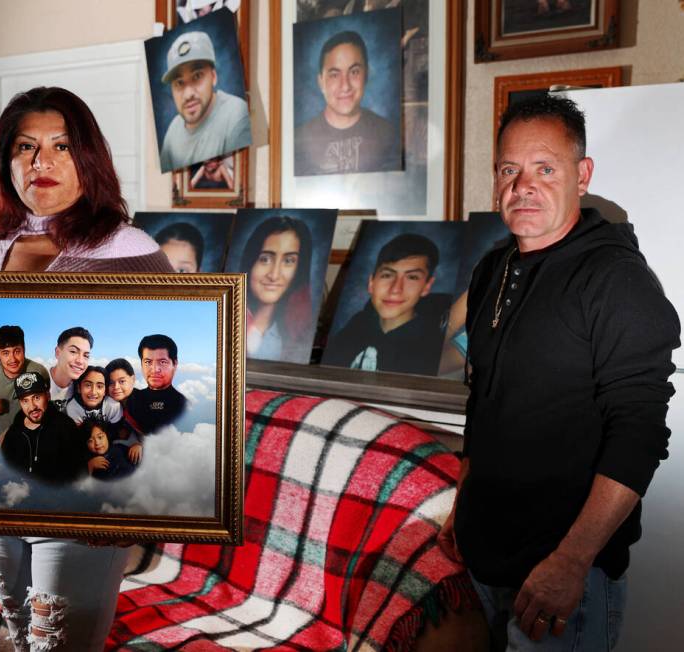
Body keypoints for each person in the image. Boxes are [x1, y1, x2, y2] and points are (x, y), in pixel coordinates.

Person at [0, 86, 175, 651]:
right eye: (25, 147)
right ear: (5, 162)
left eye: (61, 146)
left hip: (80, 494)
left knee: (62, 642)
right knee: (22, 633)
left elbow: (150, 375)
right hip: (2, 486)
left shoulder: (132, 249)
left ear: (89, 159)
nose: (41, 162)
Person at [437, 95, 680, 651]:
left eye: (544, 168)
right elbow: (485, 398)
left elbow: (638, 437)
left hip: (561, 579)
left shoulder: (616, 281)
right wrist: (464, 503)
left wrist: (571, 562)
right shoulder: (493, 269)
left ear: (582, 174)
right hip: (485, 559)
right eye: (509, 169)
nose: (523, 185)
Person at [321, 233, 447, 375]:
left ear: (426, 286)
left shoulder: (431, 346)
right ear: (371, 283)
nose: (395, 289)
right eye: (387, 275)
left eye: (412, 277)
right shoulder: (358, 324)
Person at [295, 30, 399, 176]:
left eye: (354, 72)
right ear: (321, 82)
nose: (345, 86)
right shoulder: (299, 140)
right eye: (334, 75)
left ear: (366, 75)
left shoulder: (389, 135)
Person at [158, 30, 251, 172]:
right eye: (179, 83)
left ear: (213, 77)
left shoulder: (236, 114)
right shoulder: (173, 131)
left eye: (197, 76)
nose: (188, 94)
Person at [239, 216, 313, 362]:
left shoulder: (299, 328)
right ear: (250, 261)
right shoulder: (222, 320)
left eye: (288, 261)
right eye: (265, 259)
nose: (274, 275)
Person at [0, 371, 86, 483]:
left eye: (36, 397)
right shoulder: (13, 433)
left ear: (48, 396)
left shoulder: (66, 428)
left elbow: (79, 474)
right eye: (25, 400)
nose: (32, 407)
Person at [0, 324, 49, 436]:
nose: (12, 359)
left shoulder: (39, 371)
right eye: (5, 353)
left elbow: (47, 402)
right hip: (4, 435)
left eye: (17, 351)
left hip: (36, 432)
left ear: (24, 350)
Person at [124, 334, 188, 434]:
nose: (154, 369)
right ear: (141, 364)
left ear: (174, 364)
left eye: (162, 362)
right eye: (148, 362)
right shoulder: (131, 400)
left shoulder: (183, 406)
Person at [48, 326, 92, 406]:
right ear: (58, 352)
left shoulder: (81, 387)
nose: (80, 361)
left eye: (86, 356)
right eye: (73, 351)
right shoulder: (38, 381)